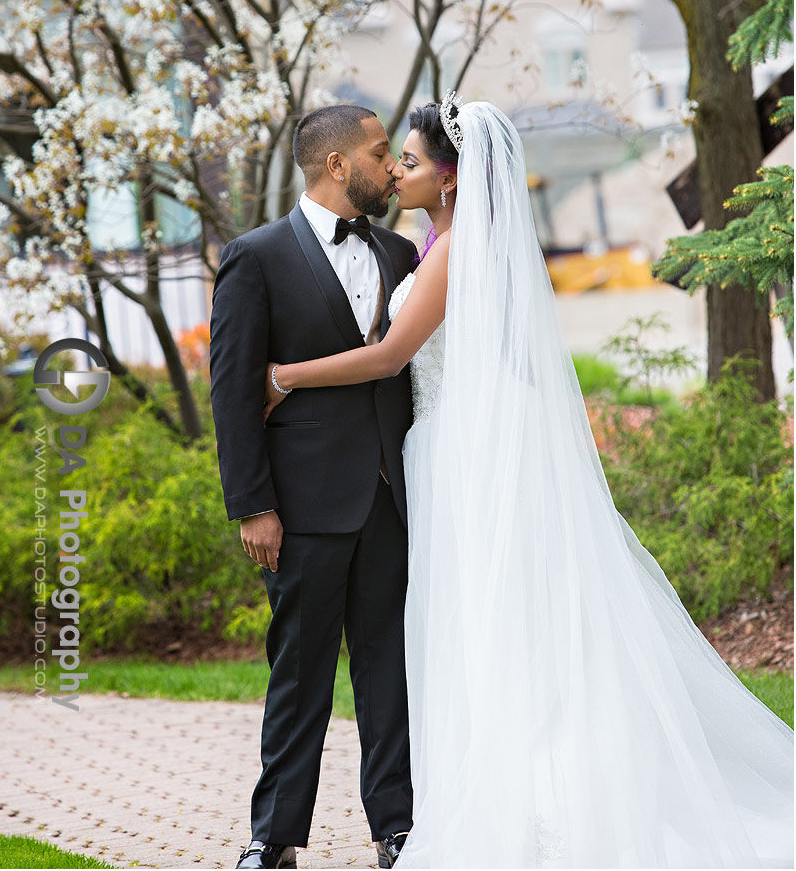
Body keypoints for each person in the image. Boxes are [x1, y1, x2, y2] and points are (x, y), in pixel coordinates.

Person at [264, 96, 794, 869]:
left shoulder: (452, 251)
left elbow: (387, 358)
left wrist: (282, 377)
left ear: (449, 180)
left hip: (465, 443)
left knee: (490, 619)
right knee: (490, 619)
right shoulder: (446, 245)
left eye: (408, 161)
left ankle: (531, 799)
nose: (397, 172)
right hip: (459, 438)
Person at [210, 104, 417, 870]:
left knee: (388, 668)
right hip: (299, 509)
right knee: (299, 672)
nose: (391, 165)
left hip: (391, 498)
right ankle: (276, 835)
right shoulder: (255, 256)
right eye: (379, 152)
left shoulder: (400, 253)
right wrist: (253, 505)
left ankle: (395, 828)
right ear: (338, 166)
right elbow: (234, 391)